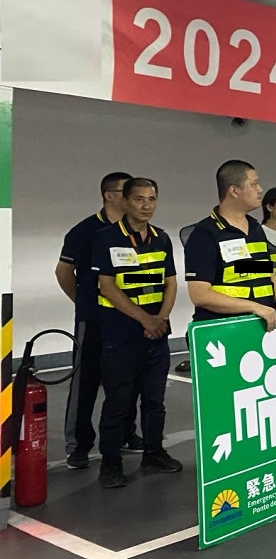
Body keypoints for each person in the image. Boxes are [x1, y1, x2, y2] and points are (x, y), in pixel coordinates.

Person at [91, 178, 181, 488]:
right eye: (139, 199)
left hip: (157, 333)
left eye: (152, 199)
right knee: (119, 401)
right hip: (121, 334)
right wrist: (146, 320)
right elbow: (107, 287)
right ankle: (111, 463)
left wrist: (161, 319)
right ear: (126, 201)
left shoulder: (162, 238)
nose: (146, 205)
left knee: (155, 400)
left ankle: (153, 452)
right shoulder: (106, 238)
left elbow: (171, 282)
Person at [55, 171, 142, 469]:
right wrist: (83, 302)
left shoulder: (136, 231)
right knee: (86, 382)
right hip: (93, 319)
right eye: (127, 191)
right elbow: (63, 272)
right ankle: (78, 445)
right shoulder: (85, 231)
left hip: (128, 317)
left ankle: (126, 433)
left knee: (127, 380)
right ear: (110, 195)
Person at [183, 160, 276, 331]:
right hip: (224, 331)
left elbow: (268, 273)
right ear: (234, 191)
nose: (260, 190)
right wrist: (254, 307)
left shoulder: (256, 228)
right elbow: (200, 295)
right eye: (254, 184)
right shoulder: (205, 234)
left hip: (260, 328)